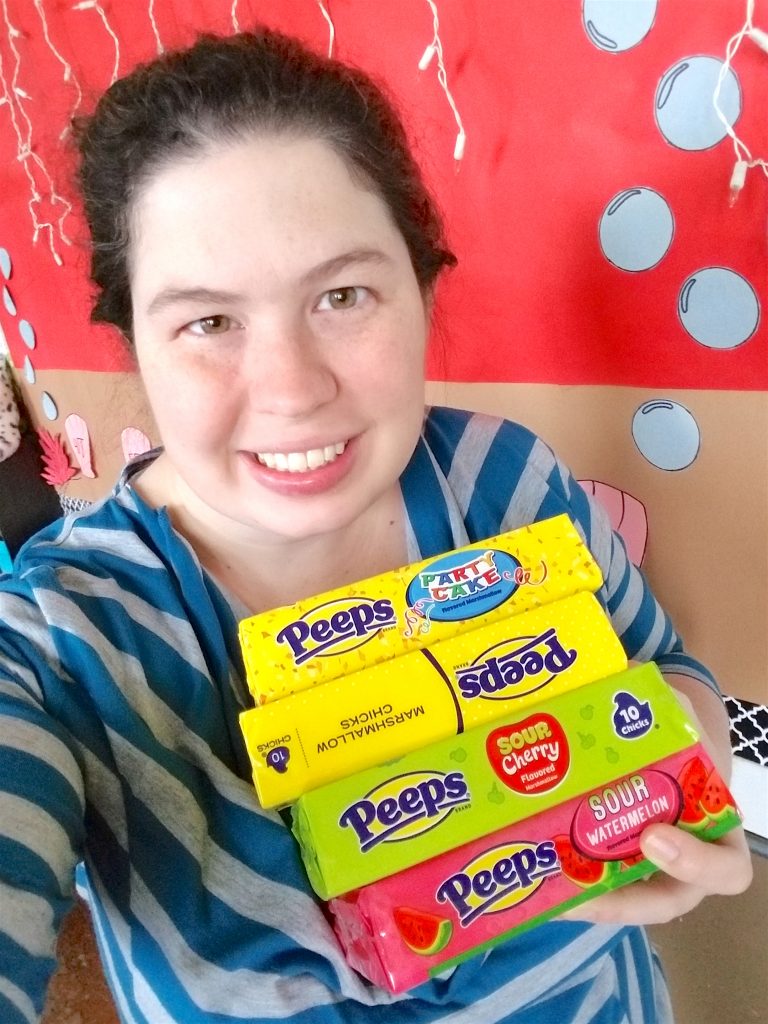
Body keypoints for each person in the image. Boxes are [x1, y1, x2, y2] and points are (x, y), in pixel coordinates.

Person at [0, 27, 752, 1024]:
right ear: (133, 334)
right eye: (209, 322)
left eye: (343, 295)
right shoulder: (61, 639)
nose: (293, 390)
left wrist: (685, 780)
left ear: (423, 289)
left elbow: (665, 671)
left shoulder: (508, 480)